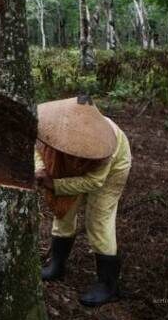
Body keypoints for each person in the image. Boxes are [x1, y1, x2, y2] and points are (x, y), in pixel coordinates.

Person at [34, 95, 132, 307]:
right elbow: (39, 150)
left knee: (97, 221)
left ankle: (108, 284)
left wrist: (56, 185)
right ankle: (57, 265)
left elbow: (94, 182)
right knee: (64, 211)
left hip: (112, 172)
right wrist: (41, 170)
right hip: (73, 167)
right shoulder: (56, 126)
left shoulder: (106, 144)